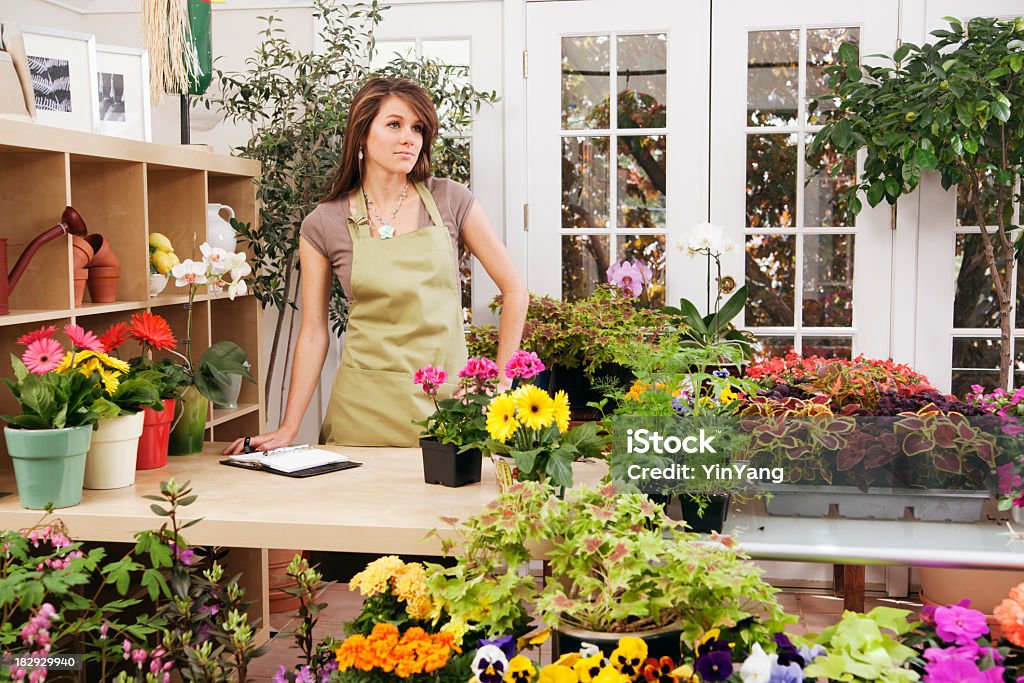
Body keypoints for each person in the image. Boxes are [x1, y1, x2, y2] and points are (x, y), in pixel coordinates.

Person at [224, 77, 527, 453]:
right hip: (362, 409)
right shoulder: (323, 223)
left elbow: (515, 291)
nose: (410, 138)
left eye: (418, 128)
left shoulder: (450, 200)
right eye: (395, 124)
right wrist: (288, 427)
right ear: (362, 135)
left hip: (446, 407)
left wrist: (498, 385)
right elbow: (315, 332)